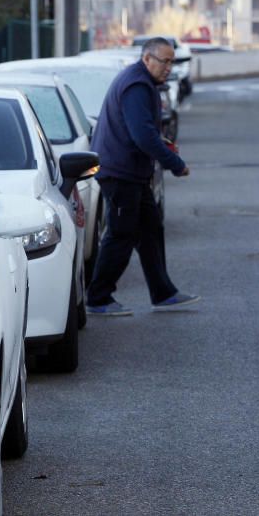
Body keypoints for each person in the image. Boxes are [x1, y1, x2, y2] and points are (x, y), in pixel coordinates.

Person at [85, 37, 200, 316]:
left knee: (150, 230)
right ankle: (98, 298)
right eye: (164, 61)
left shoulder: (143, 82)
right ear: (147, 59)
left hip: (131, 171)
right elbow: (142, 136)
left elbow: (143, 130)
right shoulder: (137, 85)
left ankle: (163, 293)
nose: (169, 67)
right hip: (120, 172)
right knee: (121, 235)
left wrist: (163, 145)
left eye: (172, 61)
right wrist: (174, 163)